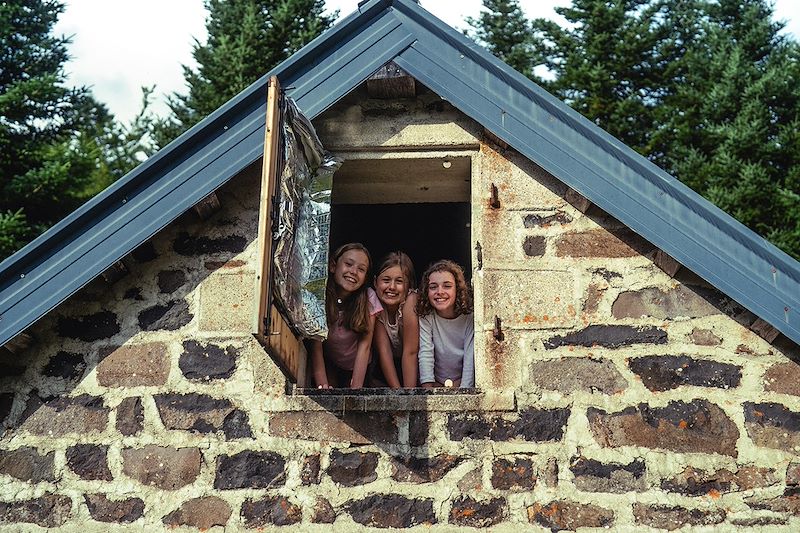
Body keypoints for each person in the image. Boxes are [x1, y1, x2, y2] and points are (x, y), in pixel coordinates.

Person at [311, 243, 382, 389]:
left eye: (361, 269)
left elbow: (365, 345)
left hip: (361, 367)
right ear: (332, 266)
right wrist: (322, 384)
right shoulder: (318, 296)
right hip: (330, 362)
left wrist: (356, 388)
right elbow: (315, 345)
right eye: (349, 264)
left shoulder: (368, 299)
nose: (354, 272)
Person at [417, 260, 474, 388]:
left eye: (447, 286)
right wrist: (428, 390)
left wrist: (464, 389)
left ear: (457, 289)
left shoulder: (469, 318)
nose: (440, 291)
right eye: (433, 287)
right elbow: (425, 352)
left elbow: (470, 357)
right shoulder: (427, 316)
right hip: (435, 382)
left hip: (461, 382)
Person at [371, 252, 419, 388]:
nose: (392, 287)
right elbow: (384, 351)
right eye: (386, 280)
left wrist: (408, 395)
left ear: (408, 285)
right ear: (375, 282)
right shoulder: (374, 304)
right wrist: (398, 393)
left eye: (399, 281)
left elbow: (411, 352)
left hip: (419, 365)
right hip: (390, 366)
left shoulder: (411, 301)